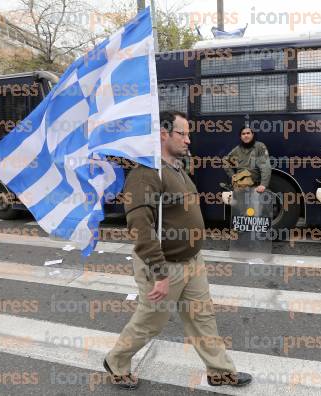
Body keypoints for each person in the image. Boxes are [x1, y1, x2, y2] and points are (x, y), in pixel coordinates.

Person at [103, 111, 252, 389]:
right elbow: (139, 227)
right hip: (164, 266)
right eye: (182, 134)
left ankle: (219, 370)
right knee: (151, 322)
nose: (188, 139)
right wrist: (158, 272)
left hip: (192, 260)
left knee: (202, 317)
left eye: (188, 134)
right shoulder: (144, 174)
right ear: (163, 134)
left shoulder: (176, 167)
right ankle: (116, 361)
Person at [223, 127, 271, 192]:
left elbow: (265, 167)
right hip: (240, 187)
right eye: (243, 134)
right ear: (240, 137)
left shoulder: (259, 146)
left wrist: (263, 185)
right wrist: (232, 176)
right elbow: (226, 161)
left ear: (252, 135)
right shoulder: (237, 149)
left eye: (248, 133)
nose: (246, 135)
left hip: (255, 187)